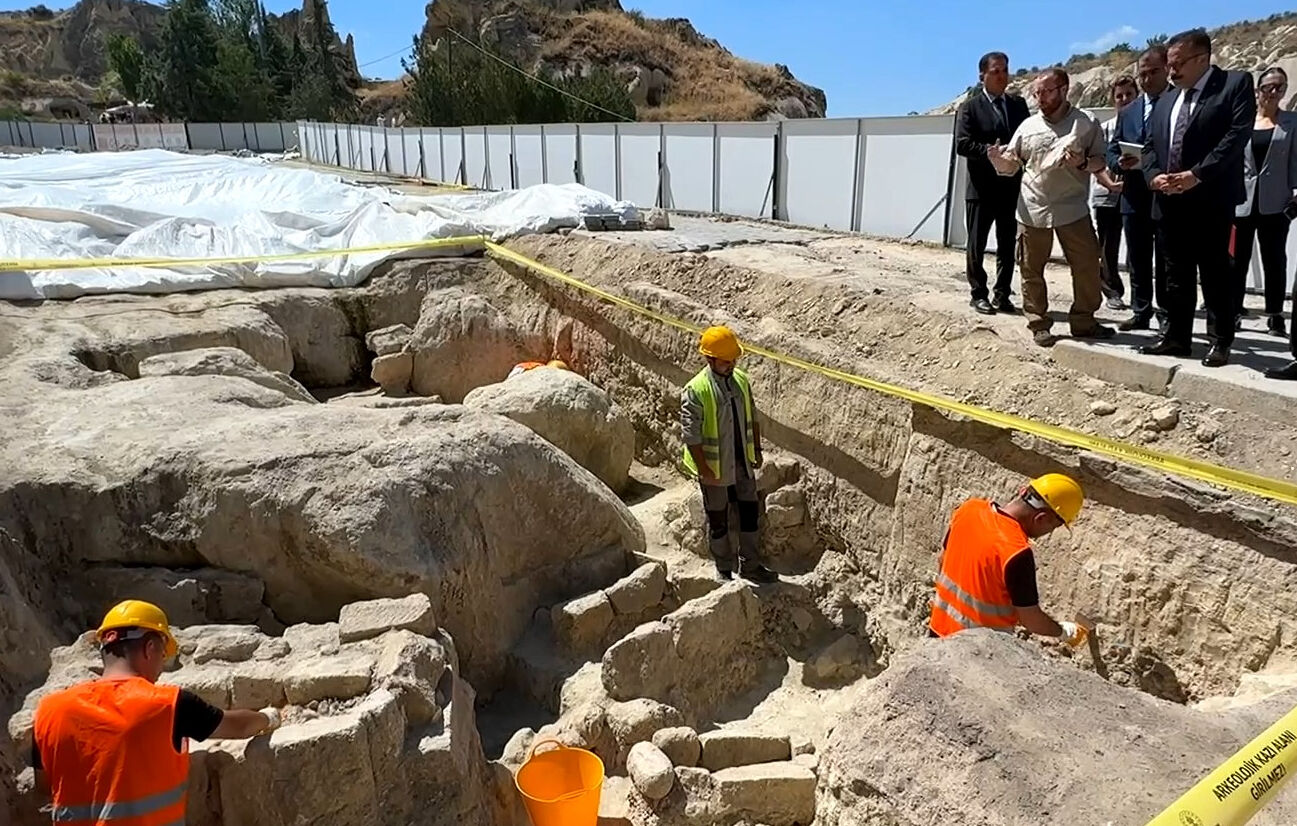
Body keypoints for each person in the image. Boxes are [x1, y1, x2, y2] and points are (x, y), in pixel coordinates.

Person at [31, 600, 280, 825]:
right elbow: (237, 727)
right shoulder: (167, 704)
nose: (161, 666)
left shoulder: (49, 710)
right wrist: (269, 716)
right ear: (150, 648)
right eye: (163, 654)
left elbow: (44, 785)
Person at [1140, 28, 1256, 367]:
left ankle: (1220, 341)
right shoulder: (1167, 99)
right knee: (1175, 274)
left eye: (1178, 64)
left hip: (1210, 201)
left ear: (1202, 59)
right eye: (1169, 64)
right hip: (1168, 201)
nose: (1172, 71)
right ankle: (1177, 337)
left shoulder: (1234, 85)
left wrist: (1196, 175)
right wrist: (1152, 176)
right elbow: (1150, 146)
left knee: (1215, 273)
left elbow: (1235, 138)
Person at [988, 68, 1116, 347]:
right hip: (1032, 208)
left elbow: (1099, 162)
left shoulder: (1085, 123)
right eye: (1037, 93)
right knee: (1031, 269)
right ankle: (1038, 323)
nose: (1040, 98)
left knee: (1086, 267)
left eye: (1046, 92)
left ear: (1064, 89)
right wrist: (999, 162)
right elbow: (1012, 164)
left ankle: (1084, 322)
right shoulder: (1028, 126)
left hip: (1072, 209)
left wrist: (1082, 162)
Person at [929, 473, 1089, 647]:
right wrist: (1063, 632)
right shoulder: (1017, 552)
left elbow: (943, 561)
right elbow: (1032, 620)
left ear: (1023, 492)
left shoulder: (969, 509)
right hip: (975, 653)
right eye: (1053, 526)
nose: (1049, 532)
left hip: (937, 633)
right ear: (1041, 518)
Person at [681, 325, 777, 583]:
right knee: (719, 519)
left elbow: (752, 418)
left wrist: (755, 449)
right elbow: (691, 437)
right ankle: (724, 568)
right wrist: (705, 470)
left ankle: (750, 565)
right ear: (709, 358)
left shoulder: (741, 381)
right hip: (714, 468)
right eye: (725, 361)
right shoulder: (696, 390)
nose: (731, 365)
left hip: (742, 462)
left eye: (733, 360)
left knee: (749, 515)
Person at [955, 51, 1031, 316]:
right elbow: (961, 144)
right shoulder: (970, 107)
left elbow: (1027, 139)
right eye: (996, 71)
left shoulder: (1018, 106)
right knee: (976, 243)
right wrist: (987, 150)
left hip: (1009, 187)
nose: (1002, 76)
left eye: (1005, 70)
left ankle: (1003, 293)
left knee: (1007, 243)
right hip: (981, 188)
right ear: (982, 76)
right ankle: (978, 294)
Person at [1109, 45, 1172, 332]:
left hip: (1167, 193)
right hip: (1134, 194)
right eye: (1142, 74)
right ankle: (1141, 310)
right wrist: (1119, 162)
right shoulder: (1130, 110)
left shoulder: (1178, 102)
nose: (1146, 79)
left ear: (1167, 69)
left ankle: (1168, 313)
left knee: (1168, 258)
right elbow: (1111, 149)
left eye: (1153, 72)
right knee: (1137, 256)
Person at [1234, 67, 1297, 343]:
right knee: (1236, 260)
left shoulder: (1292, 123)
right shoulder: (1243, 121)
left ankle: (1275, 314)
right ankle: (1233, 309)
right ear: (1258, 90)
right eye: (1269, 86)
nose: (1273, 92)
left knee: (1275, 260)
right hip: (1242, 201)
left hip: (1276, 202)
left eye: (1279, 87)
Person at [1092, 76, 1138, 311]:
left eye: (1129, 94)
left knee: (1137, 246)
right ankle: (1111, 290)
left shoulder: (1143, 125)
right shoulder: (1104, 128)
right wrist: (1110, 184)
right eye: (1119, 96)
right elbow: (1096, 162)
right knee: (1108, 245)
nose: (1124, 99)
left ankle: (1140, 295)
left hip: (1135, 194)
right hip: (1106, 195)